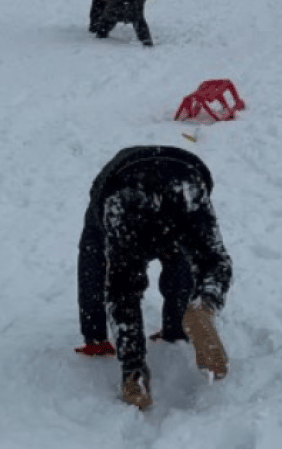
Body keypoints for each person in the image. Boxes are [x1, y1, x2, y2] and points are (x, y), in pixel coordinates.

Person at [74, 146, 234, 410]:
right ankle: (199, 310)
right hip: (186, 179)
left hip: (126, 189)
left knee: (123, 285)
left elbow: (91, 266)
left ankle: (133, 371)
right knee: (207, 258)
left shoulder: (104, 198)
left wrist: (95, 335)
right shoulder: (189, 178)